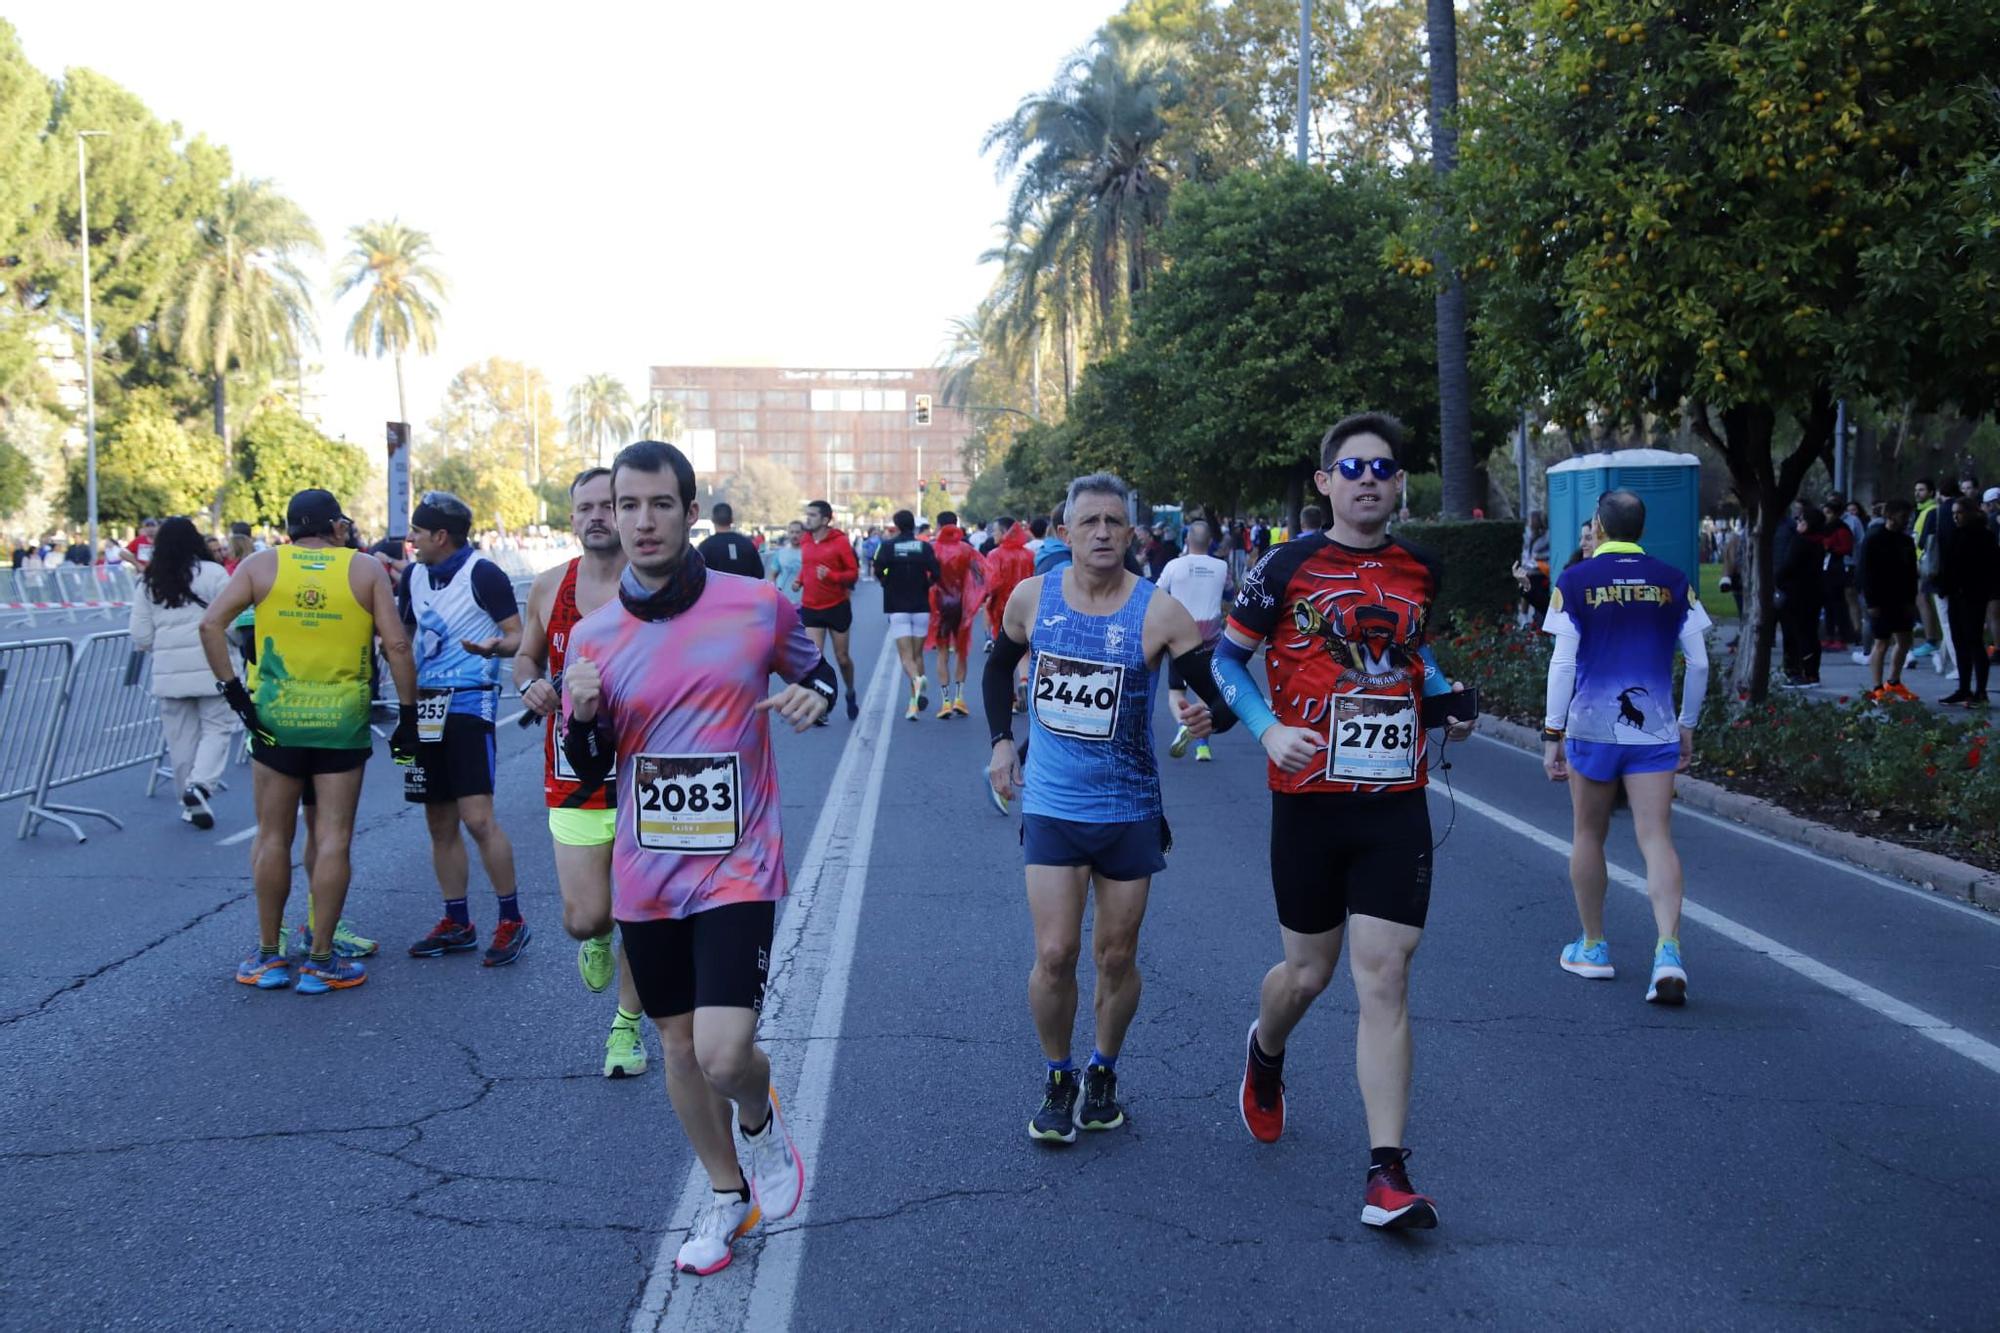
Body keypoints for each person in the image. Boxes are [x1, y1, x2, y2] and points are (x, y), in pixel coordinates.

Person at [560, 440, 833, 1276]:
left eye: (659, 504)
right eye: (626, 504)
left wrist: (809, 698)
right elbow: (592, 768)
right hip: (647, 872)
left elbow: (819, 679)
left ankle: (757, 1111)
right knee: (676, 1045)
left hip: (738, 862)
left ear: (688, 509)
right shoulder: (596, 637)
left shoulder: (756, 604)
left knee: (722, 1050)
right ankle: (726, 1195)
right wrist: (580, 717)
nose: (641, 521)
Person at [1211, 413, 1476, 1232]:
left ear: (1399, 485)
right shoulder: (1283, 566)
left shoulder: (1420, 569)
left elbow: (1412, 652)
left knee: (1386, 975)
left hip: (1397, 802)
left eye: (1384, 468)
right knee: (1307, 976)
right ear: (1326, 482)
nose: (1369, 479)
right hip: (1309, 806)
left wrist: (1444, 696)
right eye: (1352, 467)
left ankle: (1387, 1173)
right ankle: (1266, 1051)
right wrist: (1266, 728)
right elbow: (1226, 657)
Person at [984, 472, 1235, 1145]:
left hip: (1128, 808)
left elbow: (1221, 699)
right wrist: (1002, 743)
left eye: (1113, 523)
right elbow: (994, 667)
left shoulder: (1159, 612)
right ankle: (1057, 1075)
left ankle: (1103, 1070)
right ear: (1064, 532)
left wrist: (1210, 716)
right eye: (1088, 521)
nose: (1101, 532)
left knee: (1116, 955)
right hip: (1054, 803)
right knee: (1056, 950)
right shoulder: (1032, 598)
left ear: (1132, 534)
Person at [199, 489, 418, 994]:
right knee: (334, 837)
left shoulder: (259, 565)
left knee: (273, 836)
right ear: (335, 525)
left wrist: (234, 692)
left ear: (292, 526)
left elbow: (211, 624)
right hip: (341, 721)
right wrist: (408, 715)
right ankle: (321, 959)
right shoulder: (362, 570)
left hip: (277, 718)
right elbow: (398, 644)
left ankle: (269, 957)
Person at [1541, 490, 1711, 1009]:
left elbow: (1563, 665)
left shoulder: (1574, 581)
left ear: (1599, 524)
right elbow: (1700, 663)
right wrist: (1687, 724)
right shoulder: (1674, 580)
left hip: (1592, 728)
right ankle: (1668, 950)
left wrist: (1552, 734)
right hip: (1654, 729)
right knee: (1656, 837)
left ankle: (1593, 947)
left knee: (1587, 834)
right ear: (1640, 527)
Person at [515, 468, 649, 1078]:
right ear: (571, 518)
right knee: (586, 916)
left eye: (607, 506)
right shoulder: (548, 586)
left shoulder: (659, 585)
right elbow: (526, 654)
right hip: (573, 773)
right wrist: (531, 683)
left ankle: (626, 1030)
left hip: (652, 770)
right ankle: (599, 935)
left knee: (644, 912)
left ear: (624, 513)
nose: (597, 516)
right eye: (584, 508)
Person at [399, 492, 529, 966]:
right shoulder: (412, 576)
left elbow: (519, 635)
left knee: (477, 818)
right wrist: (405, 708)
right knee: (438, 820)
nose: (410, 539)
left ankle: (511, 920)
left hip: (471, 702)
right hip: (428, 707)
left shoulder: (483, 572)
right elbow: (403, 638)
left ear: (440, 535)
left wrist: (498, 646)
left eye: (417, 531)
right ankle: (457, 921)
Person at [130, 517, 236, 829]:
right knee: (217, 729)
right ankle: (200, 786)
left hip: (170, 673)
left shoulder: (150, 581)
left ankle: (188, 801)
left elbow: (141, 635)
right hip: (214, 666)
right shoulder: (215, 574)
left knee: (180, 740)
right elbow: (232, 620)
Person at [1157, 519, 1232, 763]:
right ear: (1210, 542)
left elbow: (1157, 593)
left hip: (1179, 638)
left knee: (1176, 692)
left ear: (1187, 540)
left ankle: (1182, 725)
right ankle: (1202, 747)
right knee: (1204, 695)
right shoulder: (1221, 567)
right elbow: (1231, 593)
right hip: (1211, 640)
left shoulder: (1174, 565)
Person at [872, 509, 941, 721]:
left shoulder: (888, 546)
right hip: (921, 606)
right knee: (918, 655)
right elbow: (936, 573)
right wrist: (925, 585)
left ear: (897, 525)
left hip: (897, 606)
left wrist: (887, 581)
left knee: (906, 657)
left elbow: (878, 568)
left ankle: (916, 680)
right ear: (914, 526)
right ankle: (913, 703)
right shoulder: (924, 546)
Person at [797, 499, 861, 723]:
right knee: (815, 661)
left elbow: (853, 574)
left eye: (813, 515)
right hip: (811, 607)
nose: (808, 519)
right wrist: (799, 581)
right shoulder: (805, 540)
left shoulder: (840, 542)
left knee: (842, 658)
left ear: (825, 520)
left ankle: (850, 692)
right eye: (807, 515)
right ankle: (820, 707)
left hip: (837, 606)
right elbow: (807, 568)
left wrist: (833, 576)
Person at [1936, 496, 1998, 706]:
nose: (1956, 517)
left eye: (1959, 513)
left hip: (1973, 595)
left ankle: (1980, 691)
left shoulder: (1984, 536)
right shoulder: (1956, 534)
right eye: (1954, 513)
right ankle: (1964, 688)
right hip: (1956, 594)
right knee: (1959, 641)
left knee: (1974, 641)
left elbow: (1987, 567)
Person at [925, 512, 986, 718]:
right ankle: (960, 698)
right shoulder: (966, 549)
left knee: (942, 653)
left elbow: (926, 578)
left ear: (939, 525)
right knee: (961, 651)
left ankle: (945, 701)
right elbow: (983, 574)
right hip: (961, 606)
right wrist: (977, 598)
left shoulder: (933, 549)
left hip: (941, 606)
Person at [1859, 500, 1920, 703]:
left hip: (1902, 600)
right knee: (1882, 643)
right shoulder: (1874, 539)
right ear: (1891, 515)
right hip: (1881, 599)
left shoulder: (1906, 541)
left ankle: (1894, 681)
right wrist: (1871, 602)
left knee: (1904, 641)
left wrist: (1911, 600)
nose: (1907, 520)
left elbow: (1912, 573)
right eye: (1904, 516)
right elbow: (1866, 572)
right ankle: (1877, 689)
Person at [981, 517, 1036, 723]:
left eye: (995, 531)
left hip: (1002, 610)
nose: (993, 535)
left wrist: (985, 601)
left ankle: (1012, 698)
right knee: (1025, 651)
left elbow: (992, 584)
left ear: (1004, 532)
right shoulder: (1029, 554)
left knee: (1004, 658)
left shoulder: (995, 555)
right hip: (1027, 607)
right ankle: (1025, 681)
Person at [1777, 505, 1826, 687]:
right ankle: (1812, 671)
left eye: (1802, 520)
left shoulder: (1800, 542)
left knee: (1796, 634)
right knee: (1810, 633)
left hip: (1796, 594)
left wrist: (1777, 580)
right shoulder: (1818, 542)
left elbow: (1788, 566)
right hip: (1813, 593)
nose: (1798, 523)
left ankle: (1799, 672)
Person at [695, 502, 766, 579]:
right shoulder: (747, 544)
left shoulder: (705, 546)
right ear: (732, 520)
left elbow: (697, 575)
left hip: (717, 590)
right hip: (744, 590)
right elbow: (759, 574)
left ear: (713, 520)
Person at [771, 523, 804, 605]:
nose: (794, 535)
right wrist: (774, 593)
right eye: (792, 532)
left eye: (797, 532)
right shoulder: (780, 553)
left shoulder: (809, 553)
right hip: (785, 601)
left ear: (803, 534)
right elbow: (772, 576)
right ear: (788, 533)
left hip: (803, 602)